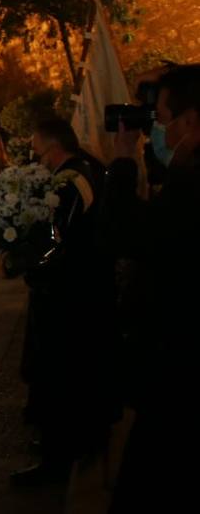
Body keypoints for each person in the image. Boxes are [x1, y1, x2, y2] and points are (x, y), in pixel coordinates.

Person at [103, 64, 200, 512]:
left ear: (191, 120)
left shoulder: (191, 186)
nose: (156, 129)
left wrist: (123, 158)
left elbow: (130, 234)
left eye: (161, 119)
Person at [13, 118, 116, 487]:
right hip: (75, 293)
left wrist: (29, 260)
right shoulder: (82, 172)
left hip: (71, 298)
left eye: (36, 151)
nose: (35, 159)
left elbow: (63, 241)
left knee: (61, 376)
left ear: (53, 148)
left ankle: (59, 461)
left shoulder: (73, 181)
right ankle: (64, 447)